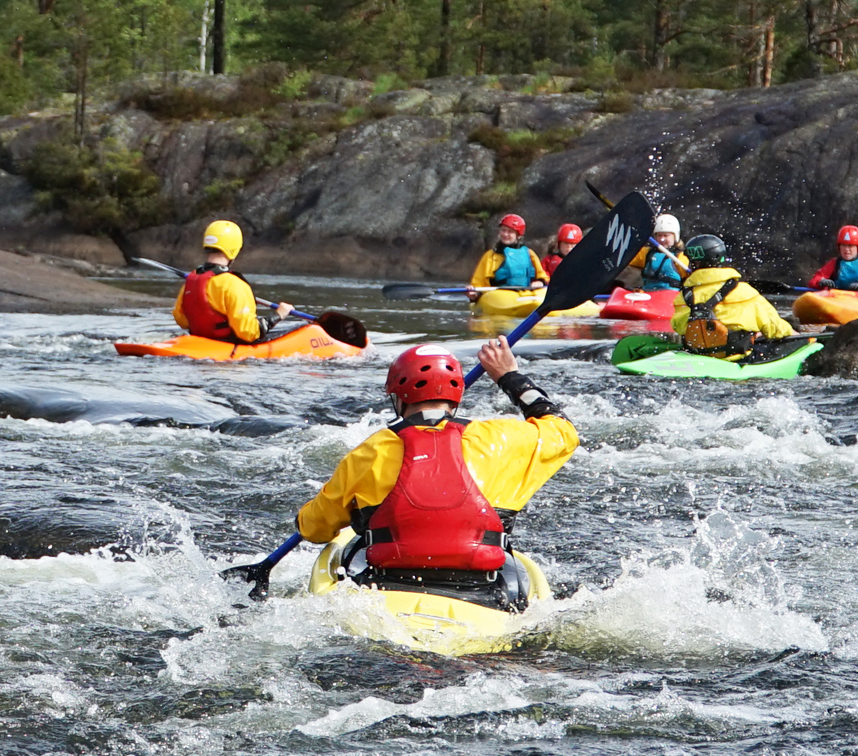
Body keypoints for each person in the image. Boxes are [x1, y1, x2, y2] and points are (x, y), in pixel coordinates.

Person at [294, 339, 577, 610]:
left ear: (398, 397)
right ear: (457, 396)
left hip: (385, 593)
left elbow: (315, 530)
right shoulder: (501, 440)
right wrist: (510, 377)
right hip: (484, 595)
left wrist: (305, 516)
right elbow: (563, 430)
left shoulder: (369, 452)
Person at [670, 233, 795, 356]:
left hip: (699, 358)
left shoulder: (683, 296)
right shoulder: (744, 291)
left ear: (691, 261)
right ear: (721, 257)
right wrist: (795, 335)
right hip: (737, 359)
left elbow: (679, 328)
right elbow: (774, 327)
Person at [173, 220, 293, 343]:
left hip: (198, 344)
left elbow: (181, 319)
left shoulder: (191, 280)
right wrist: (279, 315)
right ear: (234, 249)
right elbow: (248, 332)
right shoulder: (234, 284)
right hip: (226, 353)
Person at [467, 214, 548, 300]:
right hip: (497, 297)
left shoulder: (529, 254)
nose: (505, 234)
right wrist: (474, 293)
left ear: (518, 235)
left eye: (510, 232)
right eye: (503, 230)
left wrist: (540, 281)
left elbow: (542, 275)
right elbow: (477, 283)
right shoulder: (490, 256)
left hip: (526, 294)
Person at [809, 225, 858, 293]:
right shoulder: (835, 263)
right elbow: (815, 279)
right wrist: (821, 282)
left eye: (850, 246)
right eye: (843, 245)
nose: (846, 249)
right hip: (841, 299)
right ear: (839, 247)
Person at [626, 214, 688, 291]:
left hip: (670, 297)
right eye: (659, 235)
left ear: (675, 236)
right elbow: (625, 257)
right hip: (647, 295)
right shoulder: (646, 253)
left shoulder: (681, 257)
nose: (662, 239)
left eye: (666, 235)